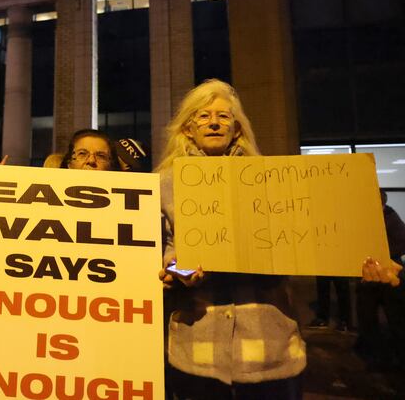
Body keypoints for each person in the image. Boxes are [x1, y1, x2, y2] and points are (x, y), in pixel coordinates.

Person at [155, 79, 401, 399]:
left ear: (238, 129)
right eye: (202, 116)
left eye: (223, 116)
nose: (214, 122)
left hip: (269, 351)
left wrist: (370, 259)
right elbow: (164, 246)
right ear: (187, 129)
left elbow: (323, 231)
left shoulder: (274, 181)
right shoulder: (163, 185)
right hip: (198, 352)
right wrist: (177, 269)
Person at [355, 190, 405, 367]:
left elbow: (402, 241)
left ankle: (398, 356)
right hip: (368, 276)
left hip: (390, 274)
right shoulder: (365, 219)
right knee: (366, 316)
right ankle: (374, 354)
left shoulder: (390, 217)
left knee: (395, 317)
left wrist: (383, 257)